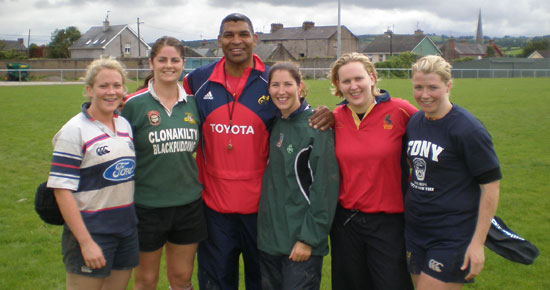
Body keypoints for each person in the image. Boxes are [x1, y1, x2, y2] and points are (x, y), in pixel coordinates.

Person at [183, 13, 333, 290]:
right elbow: (161, 98)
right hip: (214, 207)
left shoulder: (273, 80)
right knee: (216, 282)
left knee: (260, 282)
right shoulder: (196, 81)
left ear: (255, 39)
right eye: (229, 35)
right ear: (219, 41)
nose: (236, 41)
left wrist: (332, 113)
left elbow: (302, 114)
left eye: (243, 34)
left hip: (262, 211)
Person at [405, 55, 501, 289]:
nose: (424, 94)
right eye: (418, 87)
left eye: (432, 87)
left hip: (452, 235)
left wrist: (477, 244)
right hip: (418, 230)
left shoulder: (467, 128)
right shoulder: (415, 122)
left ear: (448, 86)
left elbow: (490, 186)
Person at [122, 36, 206, 290]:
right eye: (162, 60)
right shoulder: (133, 105)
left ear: (183, 64)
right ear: (151, 63)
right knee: (146, 280)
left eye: (175, 60)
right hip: (147, 206)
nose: (168, 65)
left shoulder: (194, 104)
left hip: (188, 204)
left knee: (182, 279)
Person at [47, 57, 138, 290]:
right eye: (103, 86)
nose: (111, 92)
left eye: (117, 85)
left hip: (126, 230)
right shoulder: (73, 131)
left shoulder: (125, 126)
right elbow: (61, 191)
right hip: (91, 232)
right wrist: (86, 242)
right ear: (89, 90)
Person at [329, 52, 416, 290]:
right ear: (338, 85)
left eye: (359, 78)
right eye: (346, 81)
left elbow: (433, 138)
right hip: (346, 222)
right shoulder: (333, 118)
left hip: (388, 222)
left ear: (372, 78)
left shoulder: (400, 111)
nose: (353, 86)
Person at [257, 62, 339, 290]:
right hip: (270, 241)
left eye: (287, 84)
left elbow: (325, 189)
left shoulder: (316, 126)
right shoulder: (274, 123)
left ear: (300, 86)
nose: (281, 91)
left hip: (300, 243)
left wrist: (308, 239)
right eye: (275, 85)